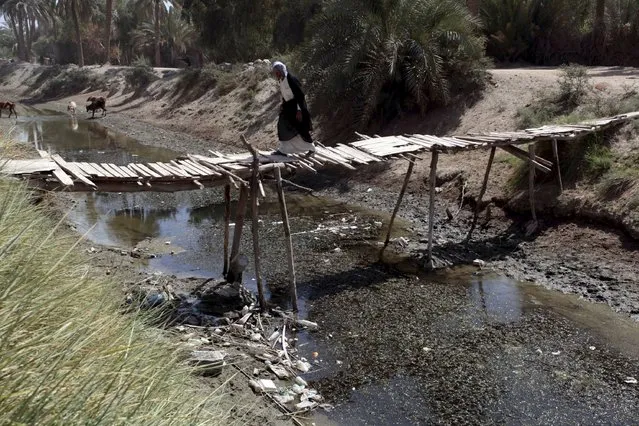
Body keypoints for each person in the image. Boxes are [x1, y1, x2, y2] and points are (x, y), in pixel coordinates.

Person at [271, 61, 315, 156]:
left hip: (296, 107)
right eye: (275, 73)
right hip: (288, 107)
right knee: (282, 126)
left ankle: (311, 148)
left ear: (281, 70)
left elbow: (300, 95)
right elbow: (285, 95)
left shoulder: (290, 79)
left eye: (277, 72)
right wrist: (283, 104)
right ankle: (283, 150)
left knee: (300, 128)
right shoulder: (281, 80)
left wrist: (299, 110)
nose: (276, 74)